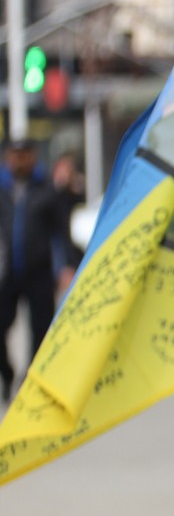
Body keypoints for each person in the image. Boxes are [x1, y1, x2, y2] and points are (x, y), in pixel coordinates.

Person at [0, 139, 74, 396]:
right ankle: (6, 374)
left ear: (33, 157)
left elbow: (61, 232)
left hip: (39, 272)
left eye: (24, 155)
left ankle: (29, 383)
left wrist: (66, 266)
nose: (19, 161)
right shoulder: (3, 190)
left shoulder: (47, 189)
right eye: (15, 155)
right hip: (7, 273)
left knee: (40, 332)